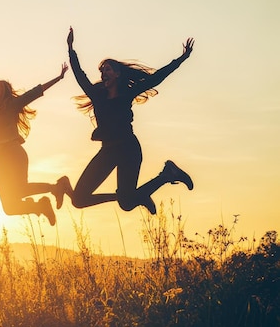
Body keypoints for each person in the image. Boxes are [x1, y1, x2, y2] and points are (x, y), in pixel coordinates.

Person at [66, 26, 194, 214]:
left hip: (128, 149)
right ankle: (146, 189)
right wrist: (71, 49)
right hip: (108, 150)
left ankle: (166, 176)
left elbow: (157, 78)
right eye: (102, 71)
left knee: (127, 204)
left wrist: (181, 59)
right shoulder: (97, 95)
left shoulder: (127, 94)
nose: (103, 73)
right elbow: (80, 76)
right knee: (78, 199)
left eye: (108, 69)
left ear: (117, 74)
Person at [0, 36, 72, 226]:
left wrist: (58, 78)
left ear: (3, 91)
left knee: (20, 189)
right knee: (9, 207)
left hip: (12, 153)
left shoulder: (12, 104)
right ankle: (42, 205)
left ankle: (57, 187)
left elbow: (36, 91)